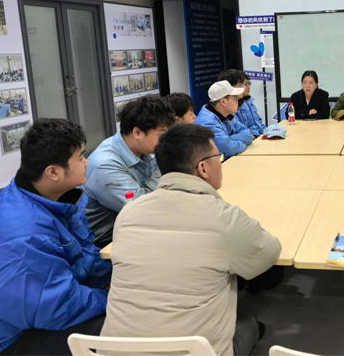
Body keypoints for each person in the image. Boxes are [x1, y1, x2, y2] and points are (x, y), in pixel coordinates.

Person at [101, 124, 281, 356]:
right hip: (193, 352)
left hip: (114, 351)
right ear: (203, 168)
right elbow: (269, 253)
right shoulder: (223, 217)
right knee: (246, 323)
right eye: (218, 156)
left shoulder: (129, 212)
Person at [0, 119, 111, 356]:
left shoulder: (58, 199)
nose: (87, 162)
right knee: (123, 332)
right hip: (12, 337)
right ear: (53, 172)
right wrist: (112, 299)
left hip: (50, 309)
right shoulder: (24, 234)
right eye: (80, 157)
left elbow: (86, 258)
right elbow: (53, 307)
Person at [85, 95, 175, 248]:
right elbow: (143, 210)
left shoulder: (143, 147)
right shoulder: (106, 166)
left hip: (133, 230)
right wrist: (164, 163)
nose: (166, 141)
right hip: (105, 244)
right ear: (137, 133)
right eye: (161, 135)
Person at [196, 80, 253, 159]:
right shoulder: (207, 122)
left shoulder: (226, 114)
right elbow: (229, 148)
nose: (238, 102)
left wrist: (229, 139)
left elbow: (248, 135)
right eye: (235, 99)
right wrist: (242, 145)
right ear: (223, 102)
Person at [235, 72, 266, 137]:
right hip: (251, 138)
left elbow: (258, 124)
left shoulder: (248, 102)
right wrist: (255, 136)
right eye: (245, 84)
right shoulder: (236, 106)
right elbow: (245, 129)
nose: (248, 87)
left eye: (249, 84)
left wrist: (269, 131)